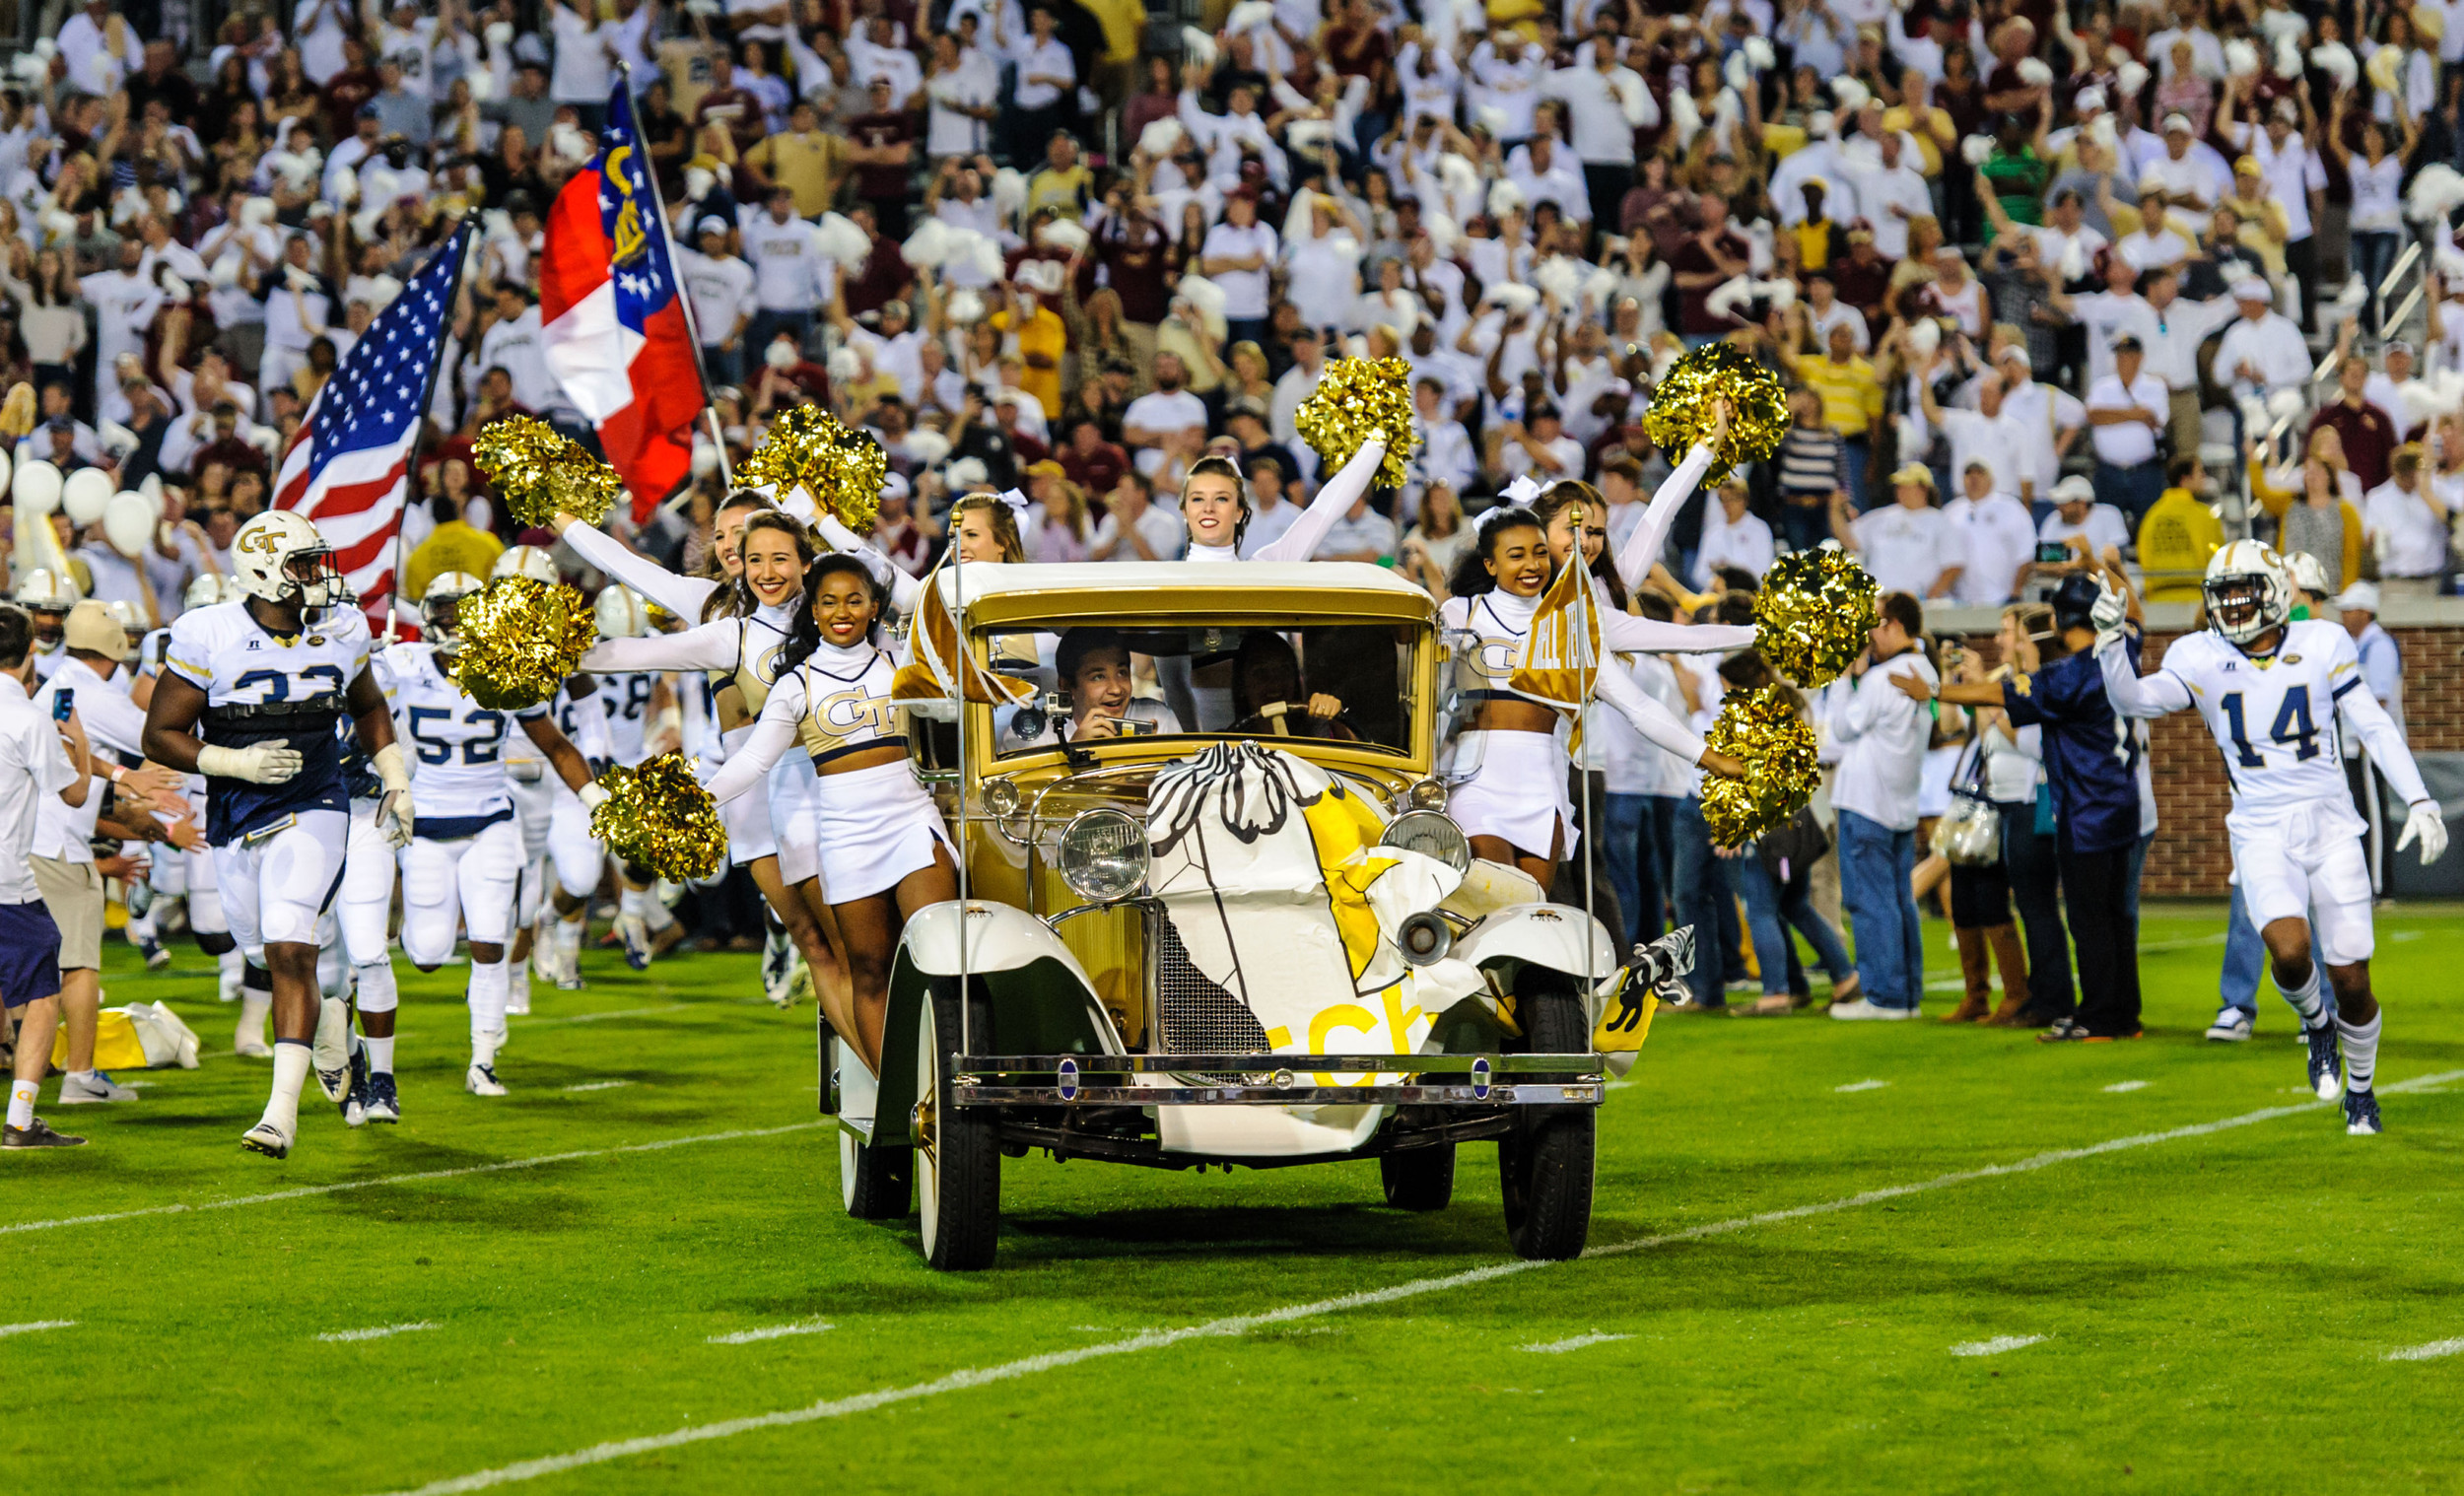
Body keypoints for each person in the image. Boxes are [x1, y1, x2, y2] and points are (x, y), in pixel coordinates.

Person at [2096, 543, 2449, 1132]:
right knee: (2288, 950)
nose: (2234, 606)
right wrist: (2112, 644)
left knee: (2352, 978)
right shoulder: (2200, 654)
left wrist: (2419, 796)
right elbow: (2132, 698)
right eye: (2224, 595)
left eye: (2245, 592)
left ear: (2277, 591)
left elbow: (2372, 722)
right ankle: (2317, 1026)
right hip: (2260, 826)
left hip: (2332, 826)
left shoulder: (2324, 642)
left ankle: (2361, 1092)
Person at [141, 510, 414, 1160]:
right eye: (304, 564)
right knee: (261, 950)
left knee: (292, 944)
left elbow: (368, 703)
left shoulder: (342, 628)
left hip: (317, 799)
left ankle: (279, 1115)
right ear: (264, 573)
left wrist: (396, 776)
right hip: (236, 808)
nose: (320, 574)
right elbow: (160, 735)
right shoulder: (209, 632)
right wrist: (231, 762)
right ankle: (331, 1018)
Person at [700, 554, 952, 1071]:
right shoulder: (795, 683)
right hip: (845, 837)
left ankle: (947, 1082)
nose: (842, 612)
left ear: (874, 607)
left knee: (941, 954)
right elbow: (753, 760)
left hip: (912, 820)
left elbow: (931, 603)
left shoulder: (902, 662)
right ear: (812, 611)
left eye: (854, 600)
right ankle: (897, 1093)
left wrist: (822, 522)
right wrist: (698, 801)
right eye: (829, 602)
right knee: (869, 970)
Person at [388, 573, 604, 1097]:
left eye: (465, 613)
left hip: (490, 821)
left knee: (491, 941)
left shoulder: (508, 672)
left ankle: (483, 1058)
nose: (455, 623)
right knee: (428, 953)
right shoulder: (400, 664)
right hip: (426, 827)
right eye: (446, 612)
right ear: (427, 616)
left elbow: (556, 746)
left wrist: (597, 801)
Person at [30, 602, 189, 1108]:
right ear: (115, 645)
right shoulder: (90, 693)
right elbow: (157, 738)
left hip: (34, 840)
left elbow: (72, 751)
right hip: (57, 844)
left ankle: (30, 1067)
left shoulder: (61, 687)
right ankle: (79, 1077)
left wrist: (124, 780)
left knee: (38, 963)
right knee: (78, 966)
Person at [0, 603, 96, 1148]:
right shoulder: (28, 717)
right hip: (7, 883)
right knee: (41, 990)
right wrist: (78, 739)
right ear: (30, 651)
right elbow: (75, 794)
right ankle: (19, 1119)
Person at [1826, 590, 1939, 1019]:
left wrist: (1843, 678)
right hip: (1901, 803)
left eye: (1874, 623)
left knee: (1869, 902)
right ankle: (1906, 994)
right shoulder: (1925, 670)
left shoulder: (1882, 678)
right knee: (1898, 900)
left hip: (1866, 801)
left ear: (1893, 625)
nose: (1868, 634)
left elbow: (1841, 728)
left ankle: (1884, 997)